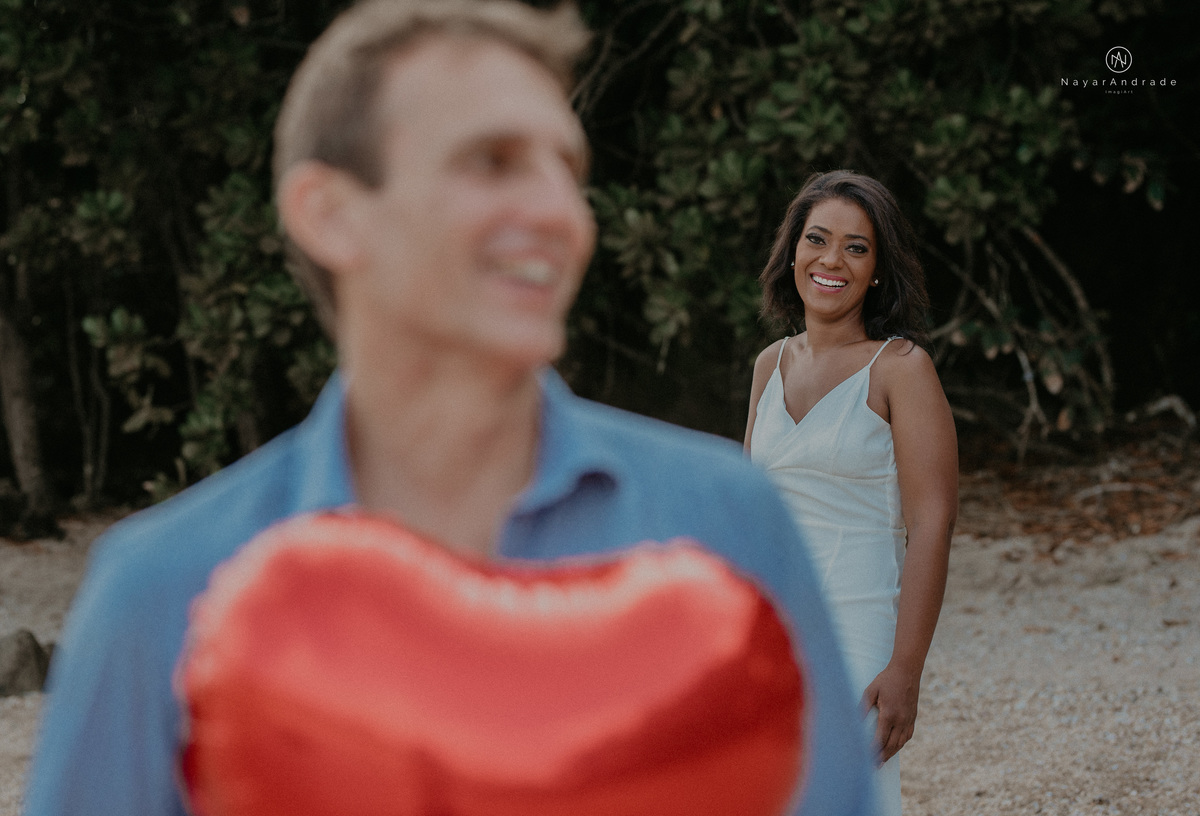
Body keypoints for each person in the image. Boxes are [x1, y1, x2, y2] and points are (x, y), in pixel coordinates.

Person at [24, 3, 879, 815]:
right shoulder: (158, 592)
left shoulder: (728, 523)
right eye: (493, 161)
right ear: (330, 215)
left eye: (568, 170)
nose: (560, 214)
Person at [745, 170, 959, 816]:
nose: (832, 260)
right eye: (817, 239)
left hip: (858, 627)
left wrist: (906, 669)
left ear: (877, 271)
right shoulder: (768, 364)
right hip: (772, 627)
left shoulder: (900, 369)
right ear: (792, 254)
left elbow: (933, 521)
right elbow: (753, 514)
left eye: (856, 247)